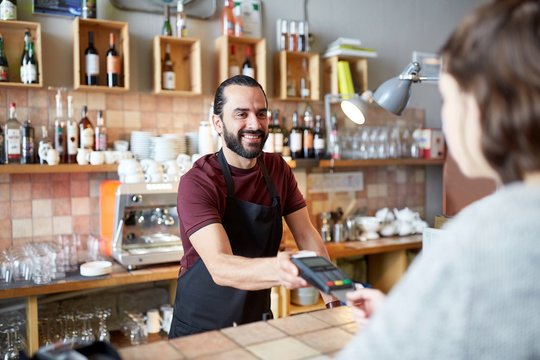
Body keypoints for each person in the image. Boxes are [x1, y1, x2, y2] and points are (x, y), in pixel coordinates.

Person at [337, 0, 540, 358]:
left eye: (447, 98)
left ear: (480, 107)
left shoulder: (480, 237)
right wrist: (405, 315)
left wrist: (399, 326)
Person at [169, 75, 340, 338]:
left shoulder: (278, 169)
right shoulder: (198, 181)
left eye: (261, 114)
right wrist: (280, 269)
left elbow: (307, 235)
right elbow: (220, 266)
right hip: (201, 332)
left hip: (257, 326)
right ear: (217, 123)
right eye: (241, 114)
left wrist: (334, 298)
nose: (254, 124)